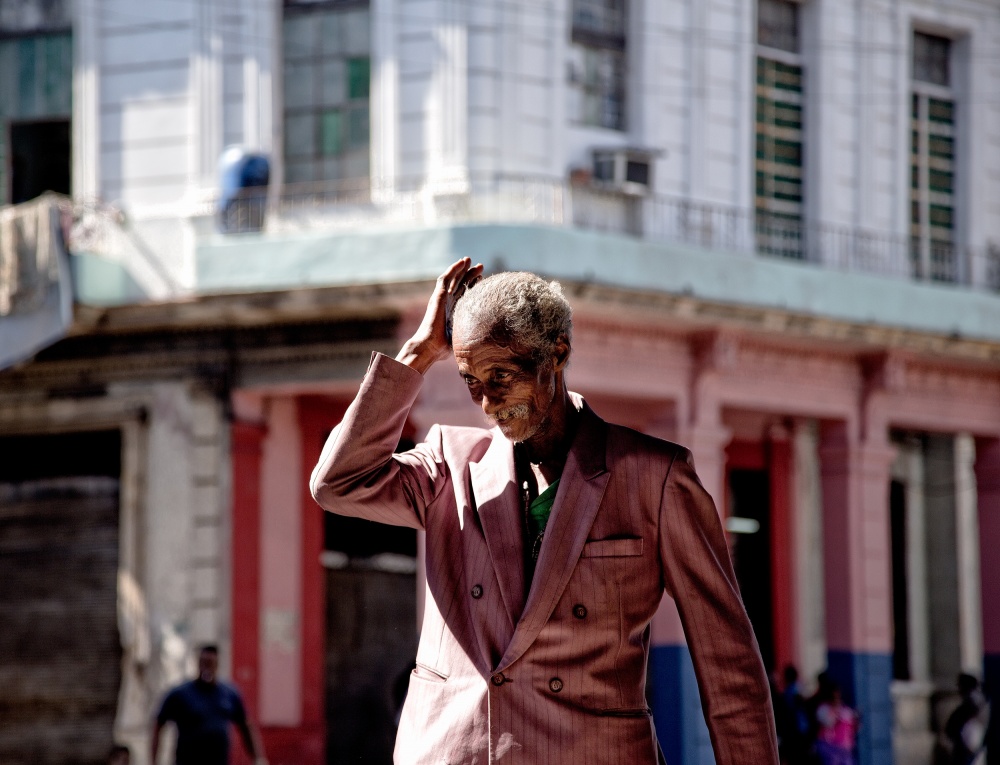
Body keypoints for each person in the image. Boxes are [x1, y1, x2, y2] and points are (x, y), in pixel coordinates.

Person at [310, 258, 779, 764]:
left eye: (501, 376)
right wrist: (418, 354)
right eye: (471, 380)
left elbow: (728, 661)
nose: (487, 403)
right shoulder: (449, 463)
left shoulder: (656, 478)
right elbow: (338, 483)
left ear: (556, 353)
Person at [151, 644, 267, 765]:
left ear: (217, 665)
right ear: (198, 664)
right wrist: (154, 760)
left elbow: (246, 726)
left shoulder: (229, 693)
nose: (207, 668)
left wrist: (258, 758)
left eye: (210, 663)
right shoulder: (180, 694)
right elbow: (159, 724)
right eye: (204, 663)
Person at [945, 673, 989, 765]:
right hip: (968, 746)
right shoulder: (977, 700)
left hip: (968, 746)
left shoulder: (973, 702)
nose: (958, 689)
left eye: (960, 685)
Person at [814, 683, 858, 765]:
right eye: (834, 696)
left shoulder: (846, 710)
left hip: (845, 749)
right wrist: (836, 713)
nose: (837, 698)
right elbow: (828, 723)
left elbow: (853, 729)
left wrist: (856, 720)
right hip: (830, 748)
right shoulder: (823, 709)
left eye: (838, 696)